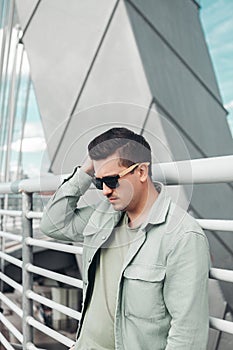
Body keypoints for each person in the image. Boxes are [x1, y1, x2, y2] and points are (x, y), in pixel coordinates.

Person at [40, 127, 210, 350]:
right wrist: (85, 172)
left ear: (141, 172)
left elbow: (187, 336)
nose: (105, 191)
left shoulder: (182, 236)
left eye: (111, 180)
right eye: (99, 182)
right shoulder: (103, 215)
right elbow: (52, 224)